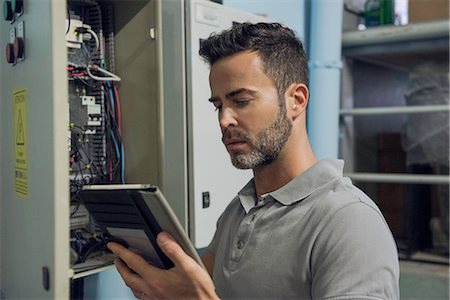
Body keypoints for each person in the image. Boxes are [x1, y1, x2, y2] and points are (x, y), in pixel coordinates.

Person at [108, 22, 400, 299]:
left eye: (241, 101)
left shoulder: (349, 222)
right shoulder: (238, 211)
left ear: (296, 100)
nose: (225, 119)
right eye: (219, 105)